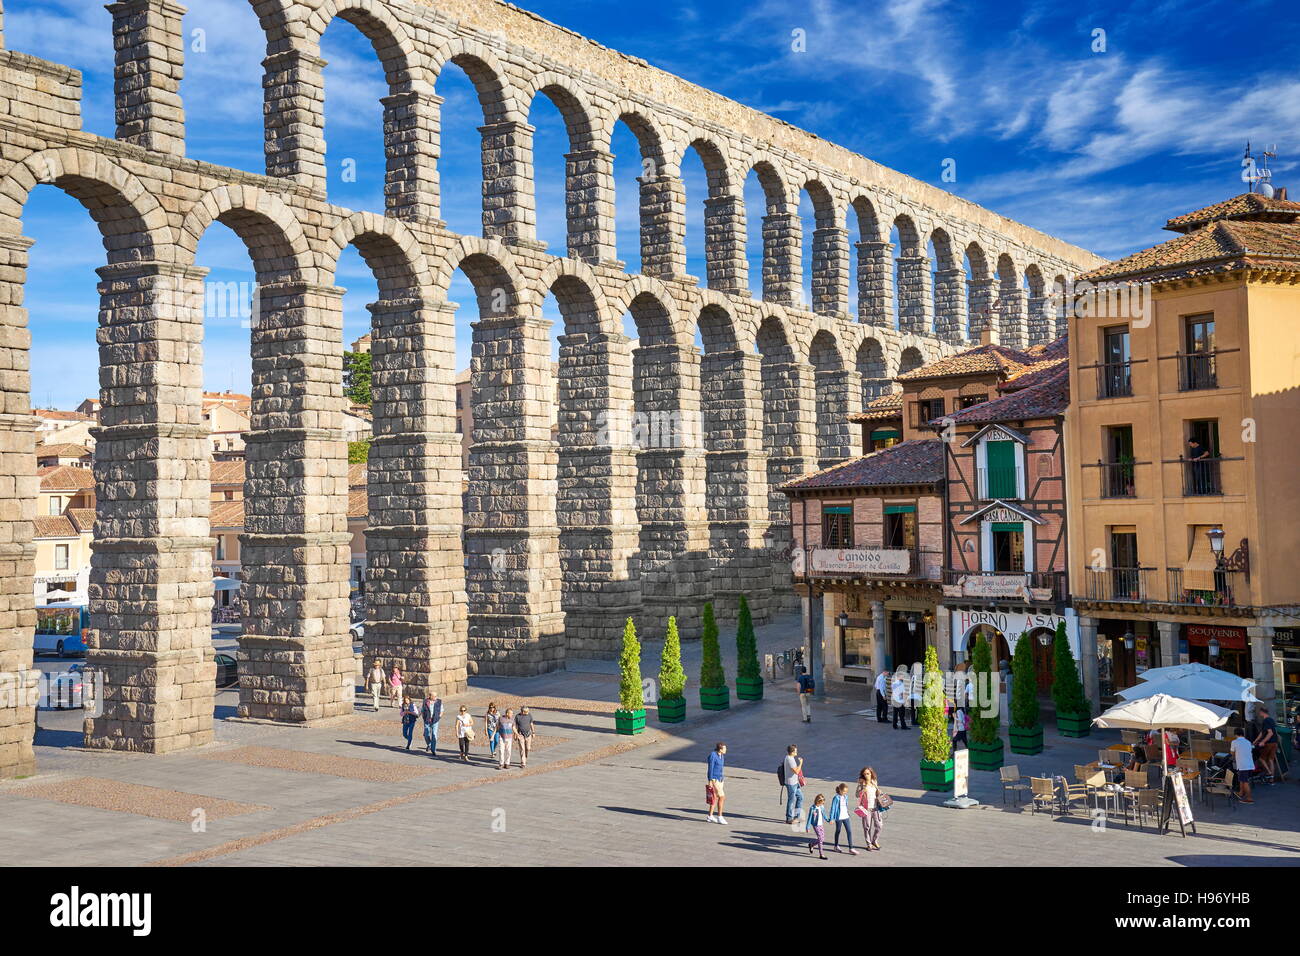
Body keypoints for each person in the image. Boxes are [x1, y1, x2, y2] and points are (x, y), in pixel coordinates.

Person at [856, 766, 883, 851]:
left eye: (868, 773)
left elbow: (877, 794)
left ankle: (874, 840)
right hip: (866, 808)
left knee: (879, 826)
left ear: (871, 773)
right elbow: (856, 795)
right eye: (865, 774)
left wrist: (879, 792)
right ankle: (869, 844)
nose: (866, 775)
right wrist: (862, 790)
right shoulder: (861, 784)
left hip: (875, 808)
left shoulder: (874, 782)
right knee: (867, 827)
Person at [828, 783, 857, 855]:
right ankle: (836, 846)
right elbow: (833, 808)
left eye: (846, 791)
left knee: (849, 831)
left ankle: (851, 848)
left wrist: (847, 813)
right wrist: (831, 818)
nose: (845, 793)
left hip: (846, 816)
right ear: (840, 790)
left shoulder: (846, 797)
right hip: (839, 817)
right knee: (838, 831)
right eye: (844, 791)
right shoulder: (836, 798)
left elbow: (845, 806)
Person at [1253, 706, 1280, 782]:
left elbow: (1270, 733)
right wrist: (1256, 740)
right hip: (1274, 743)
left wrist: (1263, 742)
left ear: (1262, 712)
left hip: (1269, 743)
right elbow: (1262, 732)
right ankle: (1271, 779)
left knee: (1261, 758)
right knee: (1271, 760)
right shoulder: (1271, 719)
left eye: (1259, 712)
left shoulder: (1266, 721)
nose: (1259, 713)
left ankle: (1269, 773)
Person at [1230, 727, 1255, 803]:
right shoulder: (1248, 742)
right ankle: (1241, 792)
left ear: (1235, 734)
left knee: (1245, 782)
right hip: (1250, 764)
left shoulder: (1234, 742)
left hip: (1242, 765)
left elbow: (1232, 753)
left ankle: (1249, 798)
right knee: (1242, 780)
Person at [707, 741, 728, 824]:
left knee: (715, 797)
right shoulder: (713, 755)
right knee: (722, 797)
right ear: (720, 749)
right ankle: (720, 816)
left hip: (720, 779)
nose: (726, 750)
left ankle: (710, 816)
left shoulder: (721, 756)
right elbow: (710, 768)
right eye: (724, 748)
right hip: (714, 779)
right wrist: (710, 781)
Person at [784, 744, 804, 824]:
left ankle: (797, 817)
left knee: (800, 797)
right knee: (791, 800)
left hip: (795, 782)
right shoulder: (790, 760)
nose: (797, 752)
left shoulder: (789, 757)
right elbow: (796, 771)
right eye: (795, 751)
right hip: (791, 783)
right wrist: (801, 763)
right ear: (792, 752)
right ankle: (789, 818)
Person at [805, 794, 829, 860]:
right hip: (816, 825)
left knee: (822, 839)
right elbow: (809, 818)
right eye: (822, 803)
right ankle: (821, 854)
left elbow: (824, 814)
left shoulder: (821, 807)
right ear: (818, 802)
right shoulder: (812, 808)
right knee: (820, 838)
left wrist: (827, 819)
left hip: (821, 824)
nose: (822, 804)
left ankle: (811, 845)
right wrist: (807, 827)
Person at [420, 692, 443, 757]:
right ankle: (429, 744)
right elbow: (422, 710)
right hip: (427, 720)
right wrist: (424, 717)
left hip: (435, 721)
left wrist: (439, 717)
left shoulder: (439, 702)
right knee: (426, 734)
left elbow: (442, 710)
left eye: (436, 696)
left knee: (434, 734)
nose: (436, 697)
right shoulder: (425, 701)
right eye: (434, 696)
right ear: (430, 696)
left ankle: (433, 750)